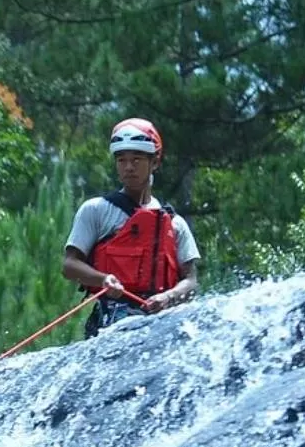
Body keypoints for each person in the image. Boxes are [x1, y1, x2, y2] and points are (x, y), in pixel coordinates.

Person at [63, 117, 202, 337]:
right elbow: (70, 265)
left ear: (154, 162)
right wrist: (103, 279)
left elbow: (191, 281)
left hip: (161, 323)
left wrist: (168, 297)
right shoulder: (95, 210)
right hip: (110, 323)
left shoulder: (175, 224)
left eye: (136, 160)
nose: (128, 167)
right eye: (121, 160)